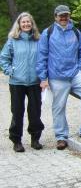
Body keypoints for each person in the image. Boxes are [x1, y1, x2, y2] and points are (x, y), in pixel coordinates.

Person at [36, 5, 81, 150]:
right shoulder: (48, 33)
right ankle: (61, 137)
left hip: (75, 74)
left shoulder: (76, 32)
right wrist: (43, 78)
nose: (64, 18)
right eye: (61, 16)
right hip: (56, 76)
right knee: (59, 107)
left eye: (66, 15)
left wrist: (80, 69)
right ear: (55, 17)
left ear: (69, 16)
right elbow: (42, 56)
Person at [0, 12, 45, 152]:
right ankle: (16, 140)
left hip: (34, 82)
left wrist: (44, 77)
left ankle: (35, 139)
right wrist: (10, 71)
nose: (26, 24)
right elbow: (4, 58)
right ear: (19, 24)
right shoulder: (13, 40)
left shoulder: (39, 40)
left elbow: (44, 58)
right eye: (23, 22)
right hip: (17, 83)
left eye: (28, 22)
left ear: (32, 24)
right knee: (17, 112)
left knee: (35, 112)